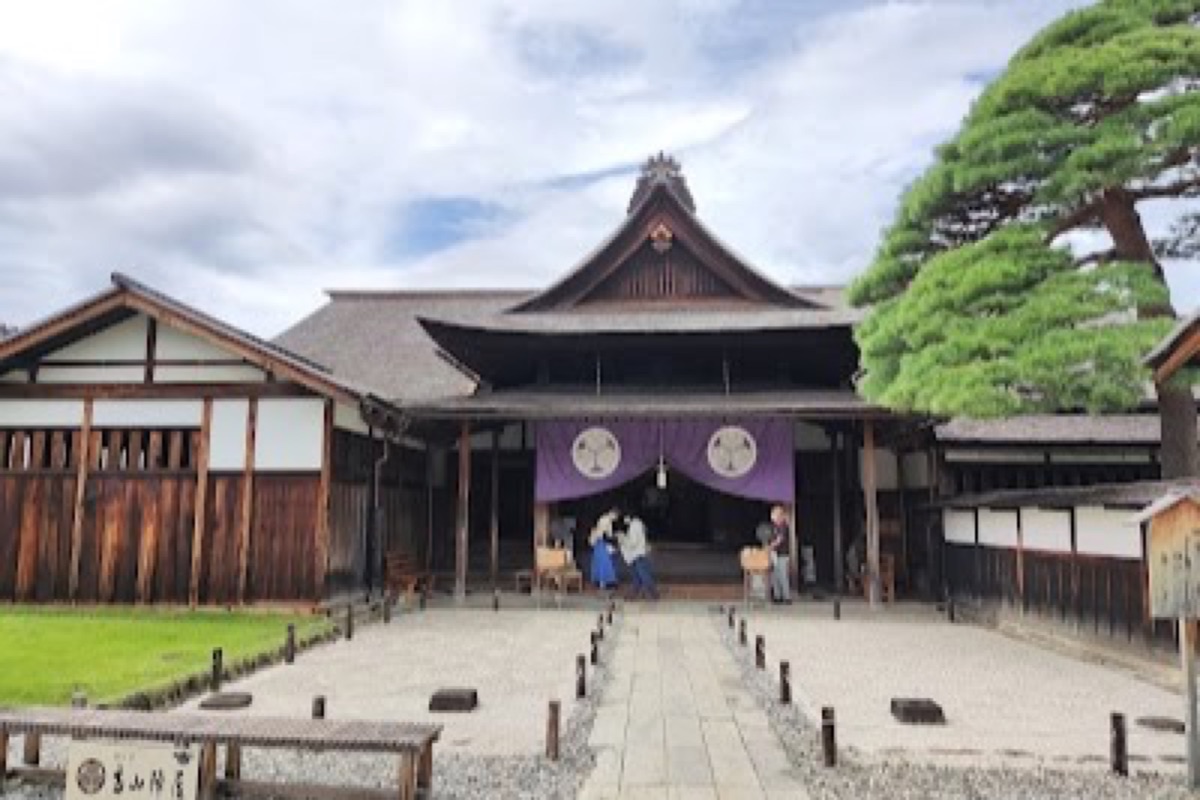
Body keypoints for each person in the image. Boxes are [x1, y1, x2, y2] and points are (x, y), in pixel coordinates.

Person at [618, 512, 658, 600]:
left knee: (642, 575)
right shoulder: (638, 524)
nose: (624, 521)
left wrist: (623, 538)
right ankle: (635, 594)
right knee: (638, 576)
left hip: (637, 554)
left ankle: (652, 594)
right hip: (637, 554)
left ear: (628, 517)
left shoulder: (634, 526)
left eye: (624, 518)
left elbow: (633, 542)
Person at [588, 509, 619, 591]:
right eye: (615, 516)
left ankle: (602, 581)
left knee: (601, 562)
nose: (615, 518)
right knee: (604, 562)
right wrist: (612, 540)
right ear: (613, 514)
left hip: (600, 542)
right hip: (601, 542)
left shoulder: (606, 520)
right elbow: (604, 533)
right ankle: (603, 582)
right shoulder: (605, 520)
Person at [767, 505, 792, 604]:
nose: (772, 517)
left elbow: (779, 539)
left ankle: (787, 597)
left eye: (773, 514)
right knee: (774, 575)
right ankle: (778, 596)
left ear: (778, 515)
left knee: (782, 575)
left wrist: (770, 546)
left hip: (782, 554)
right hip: (774, 554)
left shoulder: (783, 526)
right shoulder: (774, 526)